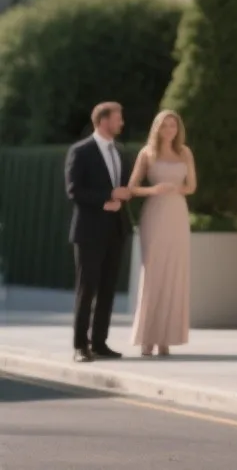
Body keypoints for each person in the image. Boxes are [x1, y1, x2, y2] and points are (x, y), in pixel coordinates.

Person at [65, 101, 133, 363]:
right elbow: (74, 190)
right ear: (103, 120)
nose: (122, 123)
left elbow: (123, 186)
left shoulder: (120, 151)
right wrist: (107, 196)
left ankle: (100, 342)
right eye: (118, 118)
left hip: (116, 229)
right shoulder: (80, 151)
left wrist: (123, 196)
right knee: (87, 288)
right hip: (89, 231)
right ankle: (80, 346)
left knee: (108, 288)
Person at [128, 109, 196, 357]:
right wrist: (154, 189)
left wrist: (176, 188)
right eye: (165, 125)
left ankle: (166, 338)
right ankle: (147, 337)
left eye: (173, 126)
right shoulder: (147, 153)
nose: (170, 130)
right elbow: (132, 187)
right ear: (157, 127)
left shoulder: (185, 152)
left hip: (177, 213)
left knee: (174, 274)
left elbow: (192, 186)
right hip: (155, 213)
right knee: (153, 273)